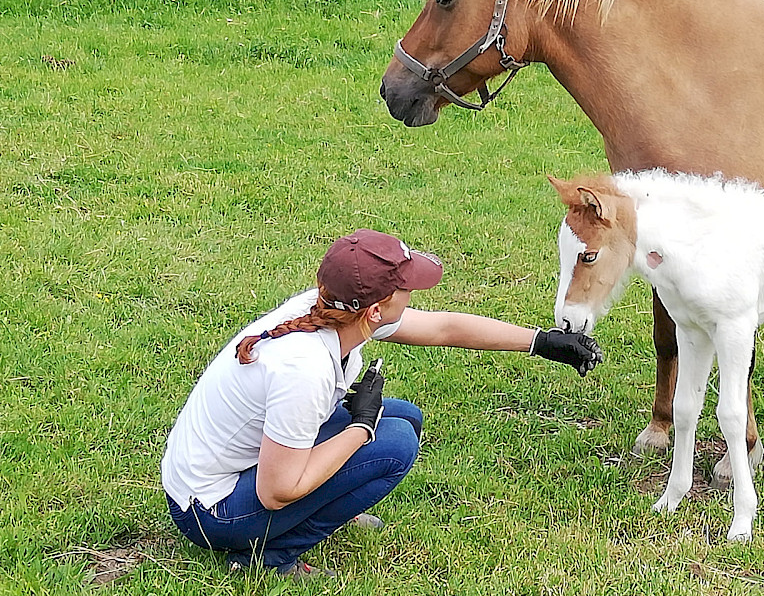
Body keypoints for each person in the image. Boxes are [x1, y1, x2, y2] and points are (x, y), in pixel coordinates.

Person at [161, 229, 602, 578]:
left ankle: (328, 505)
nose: (414, 294)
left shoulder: (330, 312)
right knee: (392, 444)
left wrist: (542, 342)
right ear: (375, 310)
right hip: (209, 512)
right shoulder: (302, 369)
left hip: (229, 475)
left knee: (404, 417)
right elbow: (275, 492)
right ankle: (272, 554)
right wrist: (360, 426)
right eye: (406, 287)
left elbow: (445, 329)